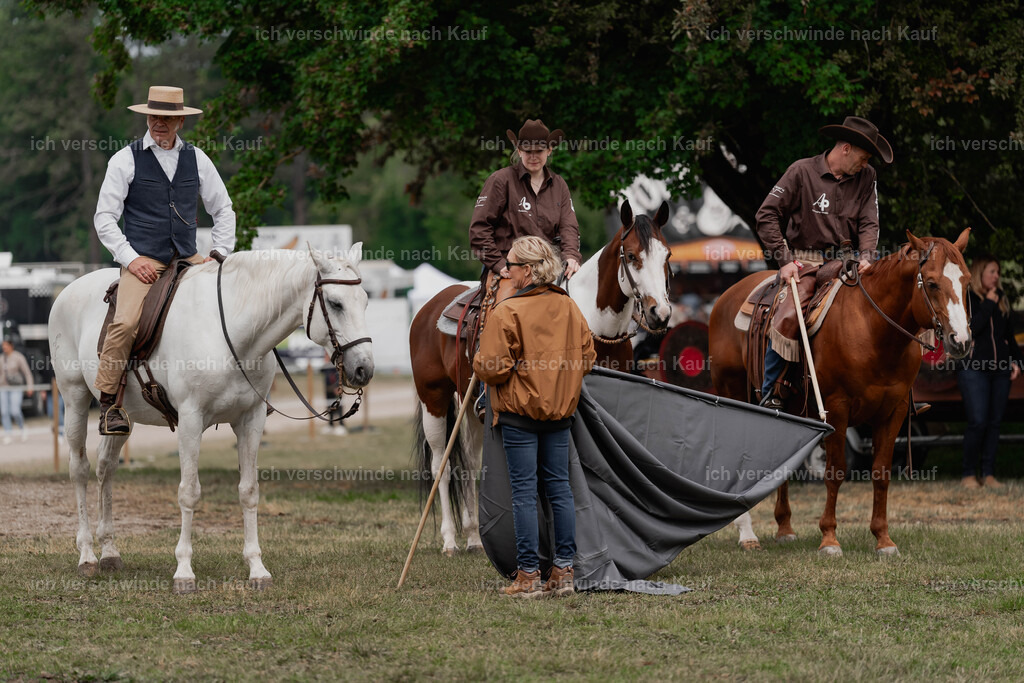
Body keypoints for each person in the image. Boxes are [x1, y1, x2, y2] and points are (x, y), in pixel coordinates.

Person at [93, 85, 236, 434]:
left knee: (229, 311)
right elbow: (104, 218)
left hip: (190, 257)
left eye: (168, 118)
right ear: (147, 117)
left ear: (180, 122)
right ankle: (109, 403)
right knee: (125, 323)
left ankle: (238, 391)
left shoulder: (198, 158)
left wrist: (219, 255)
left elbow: (223, 209)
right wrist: (130, 259)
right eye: (155, 116)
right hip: (144, 260)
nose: (160, 123)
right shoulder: (125, 159)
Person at [473, 236, 597, 598]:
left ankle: (528, 577)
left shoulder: (507, 312)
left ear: (527, 270)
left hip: (520, 418)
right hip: (560, 416)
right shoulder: (570, 307)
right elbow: (587, 358)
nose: (506, 271)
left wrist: (481, 356)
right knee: (560, 490)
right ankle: (563, 573)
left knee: (525, 494)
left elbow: (492, 369)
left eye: (510, 265)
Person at [755, 116, 893, 408]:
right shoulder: (801, 171)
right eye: (863, 157)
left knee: (886, 305)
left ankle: (893, 390)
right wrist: (785, 260)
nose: (866, 164)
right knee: (791, 313)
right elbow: (766, 215)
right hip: (806, 262)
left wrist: (868, 256)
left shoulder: (867, 177)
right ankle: (770, 391)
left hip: (850, 264)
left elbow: (870, 223)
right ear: (845, 148)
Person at [469, 119, 582, 305]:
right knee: (501, 317)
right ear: (519, 151)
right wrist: (499, 264)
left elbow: (569, 226)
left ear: (549, 150)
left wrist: (571, 256)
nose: (533, 156)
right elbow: (479, 229)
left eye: (539, 151)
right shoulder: (500, 180)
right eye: (528, 152)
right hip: (509, 268)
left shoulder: (559, 184)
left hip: (549, 269)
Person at [957, 257, 1023, 489]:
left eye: (998, 272)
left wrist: (1017, 362)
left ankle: (989, 474)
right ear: (979, 273)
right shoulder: (968, 298)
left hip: (1000, 371)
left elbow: (1010, 336)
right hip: (974, 370)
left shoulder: (1001, 298)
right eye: (992, 271)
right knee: (978, 421)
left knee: (994, 423)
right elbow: (971, 329)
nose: (997, 276)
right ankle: (967, 474)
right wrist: (989, 304)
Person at [0, 339, 33, 444]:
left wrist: (30, 386)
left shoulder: (18, 357)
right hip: (3, 388)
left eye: (6, 345)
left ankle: (22, 428)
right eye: (3, 345)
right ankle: (8, 433)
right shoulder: (1, 358)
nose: (4, 347)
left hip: (16, 388)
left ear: (11, 346)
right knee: (4, 412)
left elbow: (27, 373)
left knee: (15, 410)